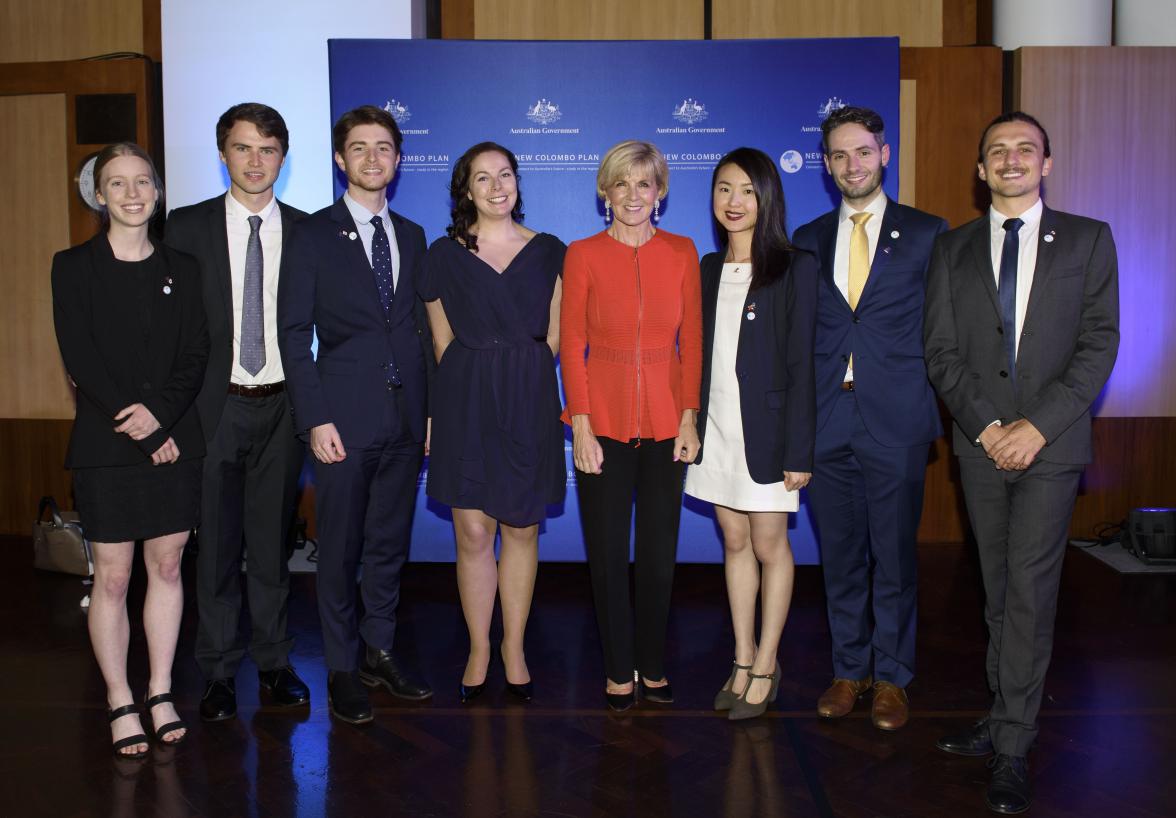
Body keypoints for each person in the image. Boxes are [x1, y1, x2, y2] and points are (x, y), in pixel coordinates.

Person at [925, 111, 1118, 814]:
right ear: (980, 171)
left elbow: (1100, 345)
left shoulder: (1090, 241)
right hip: (982, 446)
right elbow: (941, 352)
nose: (1010, 159)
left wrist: (1035, 426)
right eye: (997, 151)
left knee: (1030, 594)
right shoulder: (952, 249)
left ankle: (1012, 745)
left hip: (1052, 444)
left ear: (1047, 163)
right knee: (999, 589)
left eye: (1024, 149)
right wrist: (986, 427)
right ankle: (1006, 710)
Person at [278, 105, 434, 725]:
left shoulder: (416, 236)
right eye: (360, 148)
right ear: (341, 159)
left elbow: (423, 332)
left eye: (385, 148)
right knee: (339, 549)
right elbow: (294, 334)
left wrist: (429, 417)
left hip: (405, 421)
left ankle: (380, 650)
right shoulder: (313, 235)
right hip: (340, 422)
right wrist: (314, 418)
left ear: (398, 161)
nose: (374, 158)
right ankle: (343, 667)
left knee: (389, 544)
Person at [792, 106, 948, 730]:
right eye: (838, 155)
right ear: (827, 166)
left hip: (897, 417)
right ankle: (848, 671)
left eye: (862, 152)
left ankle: (892, 678)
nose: (851, 164)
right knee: (842, 557)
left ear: (885, 154)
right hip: (827, 419)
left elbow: (945, 333)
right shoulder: (806, 239)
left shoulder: (930, 232)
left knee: (895, 556)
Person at [51, 142, 209, 755]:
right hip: (107, 444)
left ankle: (161, 689)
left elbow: (196, 354)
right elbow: (81, 359)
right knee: (113, 579)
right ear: (98, 195)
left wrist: (162, 421)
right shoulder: (71, 266)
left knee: (167, 568)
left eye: (143, 181)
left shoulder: (185, 268)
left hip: (175, 441)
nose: (133, 194)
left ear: (158, 190)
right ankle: (120, 697)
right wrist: (142, 429)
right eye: (118, 184)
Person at [165, 102, 310, 723]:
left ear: (283, 156)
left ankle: (275, 664)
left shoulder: (308, 231)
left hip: (282, 405)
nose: (256, 161)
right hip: (212, 406)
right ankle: (219, 671)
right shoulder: (185, 228)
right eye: (244, 148)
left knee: (272, 548)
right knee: (217, 547)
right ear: (223, 153)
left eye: (268, 149)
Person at [418, 142, 565, 703]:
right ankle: (480, 646)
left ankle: (514, 647)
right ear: (467, 190)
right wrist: (446, 405)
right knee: (473, 531)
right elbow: (439, 339)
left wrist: (522, 372)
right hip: (465, 398)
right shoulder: (442, 254)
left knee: (522, 529)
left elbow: (554, 336)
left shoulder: (551, 251)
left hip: (527, 396)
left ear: (517, 183)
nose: (497, 186)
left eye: (505, 175)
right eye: (483, 178)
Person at [561, 140, 702, 711]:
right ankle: (619, 669)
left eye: (645, 184)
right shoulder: (583, 253)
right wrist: (583, 426)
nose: (633, 195)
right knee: (607, 554)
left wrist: (689, 417)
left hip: (669, 425)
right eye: (622, 183)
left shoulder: (683, 251)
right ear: (605, 192)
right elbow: (572, 342)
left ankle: (652, 663)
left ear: (660, 191)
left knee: (659, 556)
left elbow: (691, 341)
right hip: (605, 425)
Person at [684, 148, 818, 720]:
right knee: (733, 542)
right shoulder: (707, 269)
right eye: (723, 190)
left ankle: (767, 662)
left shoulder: (795, 266)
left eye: (746, 190)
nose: (734, 203)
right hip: (716, 430)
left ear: (766, 196)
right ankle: (740, 658)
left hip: (768, 434)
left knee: (769, 546)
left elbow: (802, 366)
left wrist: (799, 448)